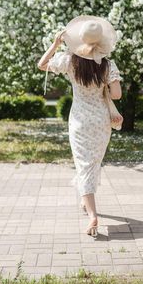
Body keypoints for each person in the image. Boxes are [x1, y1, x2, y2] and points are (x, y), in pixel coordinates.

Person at [37, 15, 123, 237]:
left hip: (79, 121)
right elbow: (117, 94)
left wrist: (56, 43)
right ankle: (87, 203)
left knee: (83, 164)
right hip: (101, 121)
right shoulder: (107, 65)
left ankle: (93, 214)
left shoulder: (70, 61)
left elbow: (42, 65)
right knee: (92, 163)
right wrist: (105, 86)